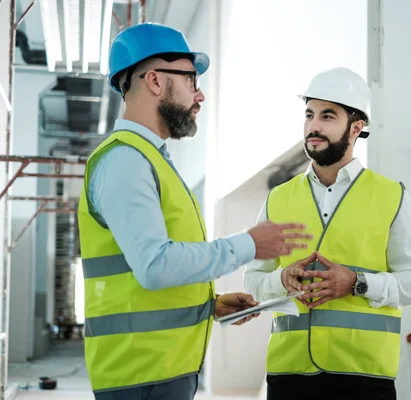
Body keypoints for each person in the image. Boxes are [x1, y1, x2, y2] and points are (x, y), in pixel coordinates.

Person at [77, 23, 311, 400]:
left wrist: (209, 307)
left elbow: (150, 279)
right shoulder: (125, 160)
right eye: (190, 79)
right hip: (142, 374)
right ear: (154, 81)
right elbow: (155, 266)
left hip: (160, 370)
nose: (199, 94)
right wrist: (248, 245)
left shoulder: (149, 159)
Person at [243, 67, 411, 400]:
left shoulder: (391, 196)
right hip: (289, 375)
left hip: (364, 376)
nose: (314, 126)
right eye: (309, 115)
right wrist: (281, 279)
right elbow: (254, 279)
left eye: (328, 116)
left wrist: (357, 283)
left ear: (356, 128)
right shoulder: (279, 198)